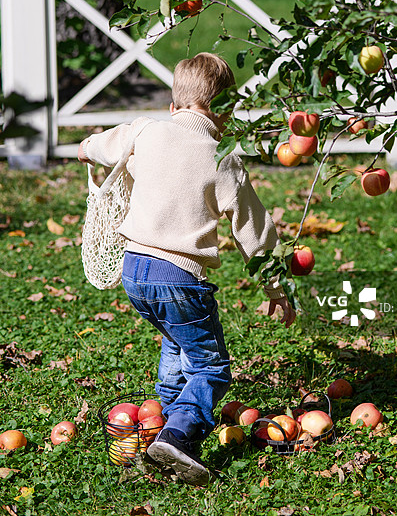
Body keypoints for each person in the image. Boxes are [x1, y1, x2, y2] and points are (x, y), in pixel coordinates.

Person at [78, 52, 296, 486]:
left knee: (177, 340)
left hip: (134, 271)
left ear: (174, 104)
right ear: (225, 110)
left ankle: (160, 420)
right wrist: (276, 287)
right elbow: (254, 230)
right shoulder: (224, 160)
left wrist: (86, 148)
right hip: (179, 276)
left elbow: (103, 144)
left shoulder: (146, 130)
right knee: (210, 367)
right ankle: (179, 436)